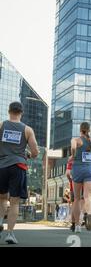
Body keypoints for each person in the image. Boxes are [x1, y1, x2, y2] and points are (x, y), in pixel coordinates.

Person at [0, 102, 39, 244]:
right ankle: (10, 233)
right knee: (14, 201)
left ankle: (0, 221)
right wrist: (28, 155)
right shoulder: (27, 130)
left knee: (2, 198)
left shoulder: (1, 125)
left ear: (9, 111)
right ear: (21, 113)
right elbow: (35, 152)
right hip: (18, 165)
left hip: (2, 166)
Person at [71, 122, 91, 233]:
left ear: (80, 130)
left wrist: (73, 155)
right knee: (87, 196)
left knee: (77, 198)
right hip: (89, 170)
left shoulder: (76, 140)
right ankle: (89, 215)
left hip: (77, 170)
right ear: (89, 130)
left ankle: (77, 226)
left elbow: (73, 148)